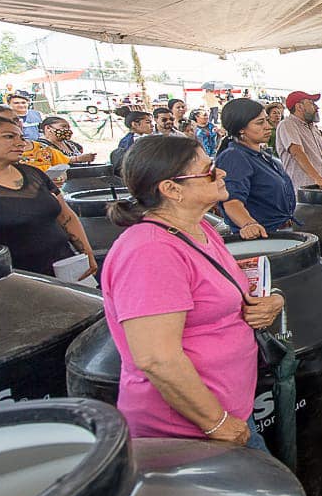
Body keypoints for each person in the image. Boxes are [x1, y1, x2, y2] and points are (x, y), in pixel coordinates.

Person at [100, 135, 283, 448]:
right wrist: (217, 423)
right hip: (192, 430)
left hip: (228, 410)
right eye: (210, 170)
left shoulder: (200, 229)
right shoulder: (151, 251)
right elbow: (158, 359)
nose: (221, 173)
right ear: (171, 189)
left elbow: (229, 291)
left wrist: (271, 300)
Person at [0, 115, 97, 277]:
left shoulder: (33, 174)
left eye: (21, 137)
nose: (20, 143)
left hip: (66, 267)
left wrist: (87, 253)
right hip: (18, 281)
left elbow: (66, 216)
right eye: (8, 137)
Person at [214, 99, 296, 238]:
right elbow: (232, 201)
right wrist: (249, 225)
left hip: (280, 232)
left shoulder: (260, 155)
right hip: (263, 237)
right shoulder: (234, 157)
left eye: (266, 120)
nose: (268, 126)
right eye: (260, 123)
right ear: (241, 128)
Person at [275, 91, 322, 191]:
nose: (316, 107)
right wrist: (318, 178)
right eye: (311, 103)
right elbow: (297, 152)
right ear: (299, 107)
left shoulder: (312, 128)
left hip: (321, 188)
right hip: (305, 191)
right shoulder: (288, 124)